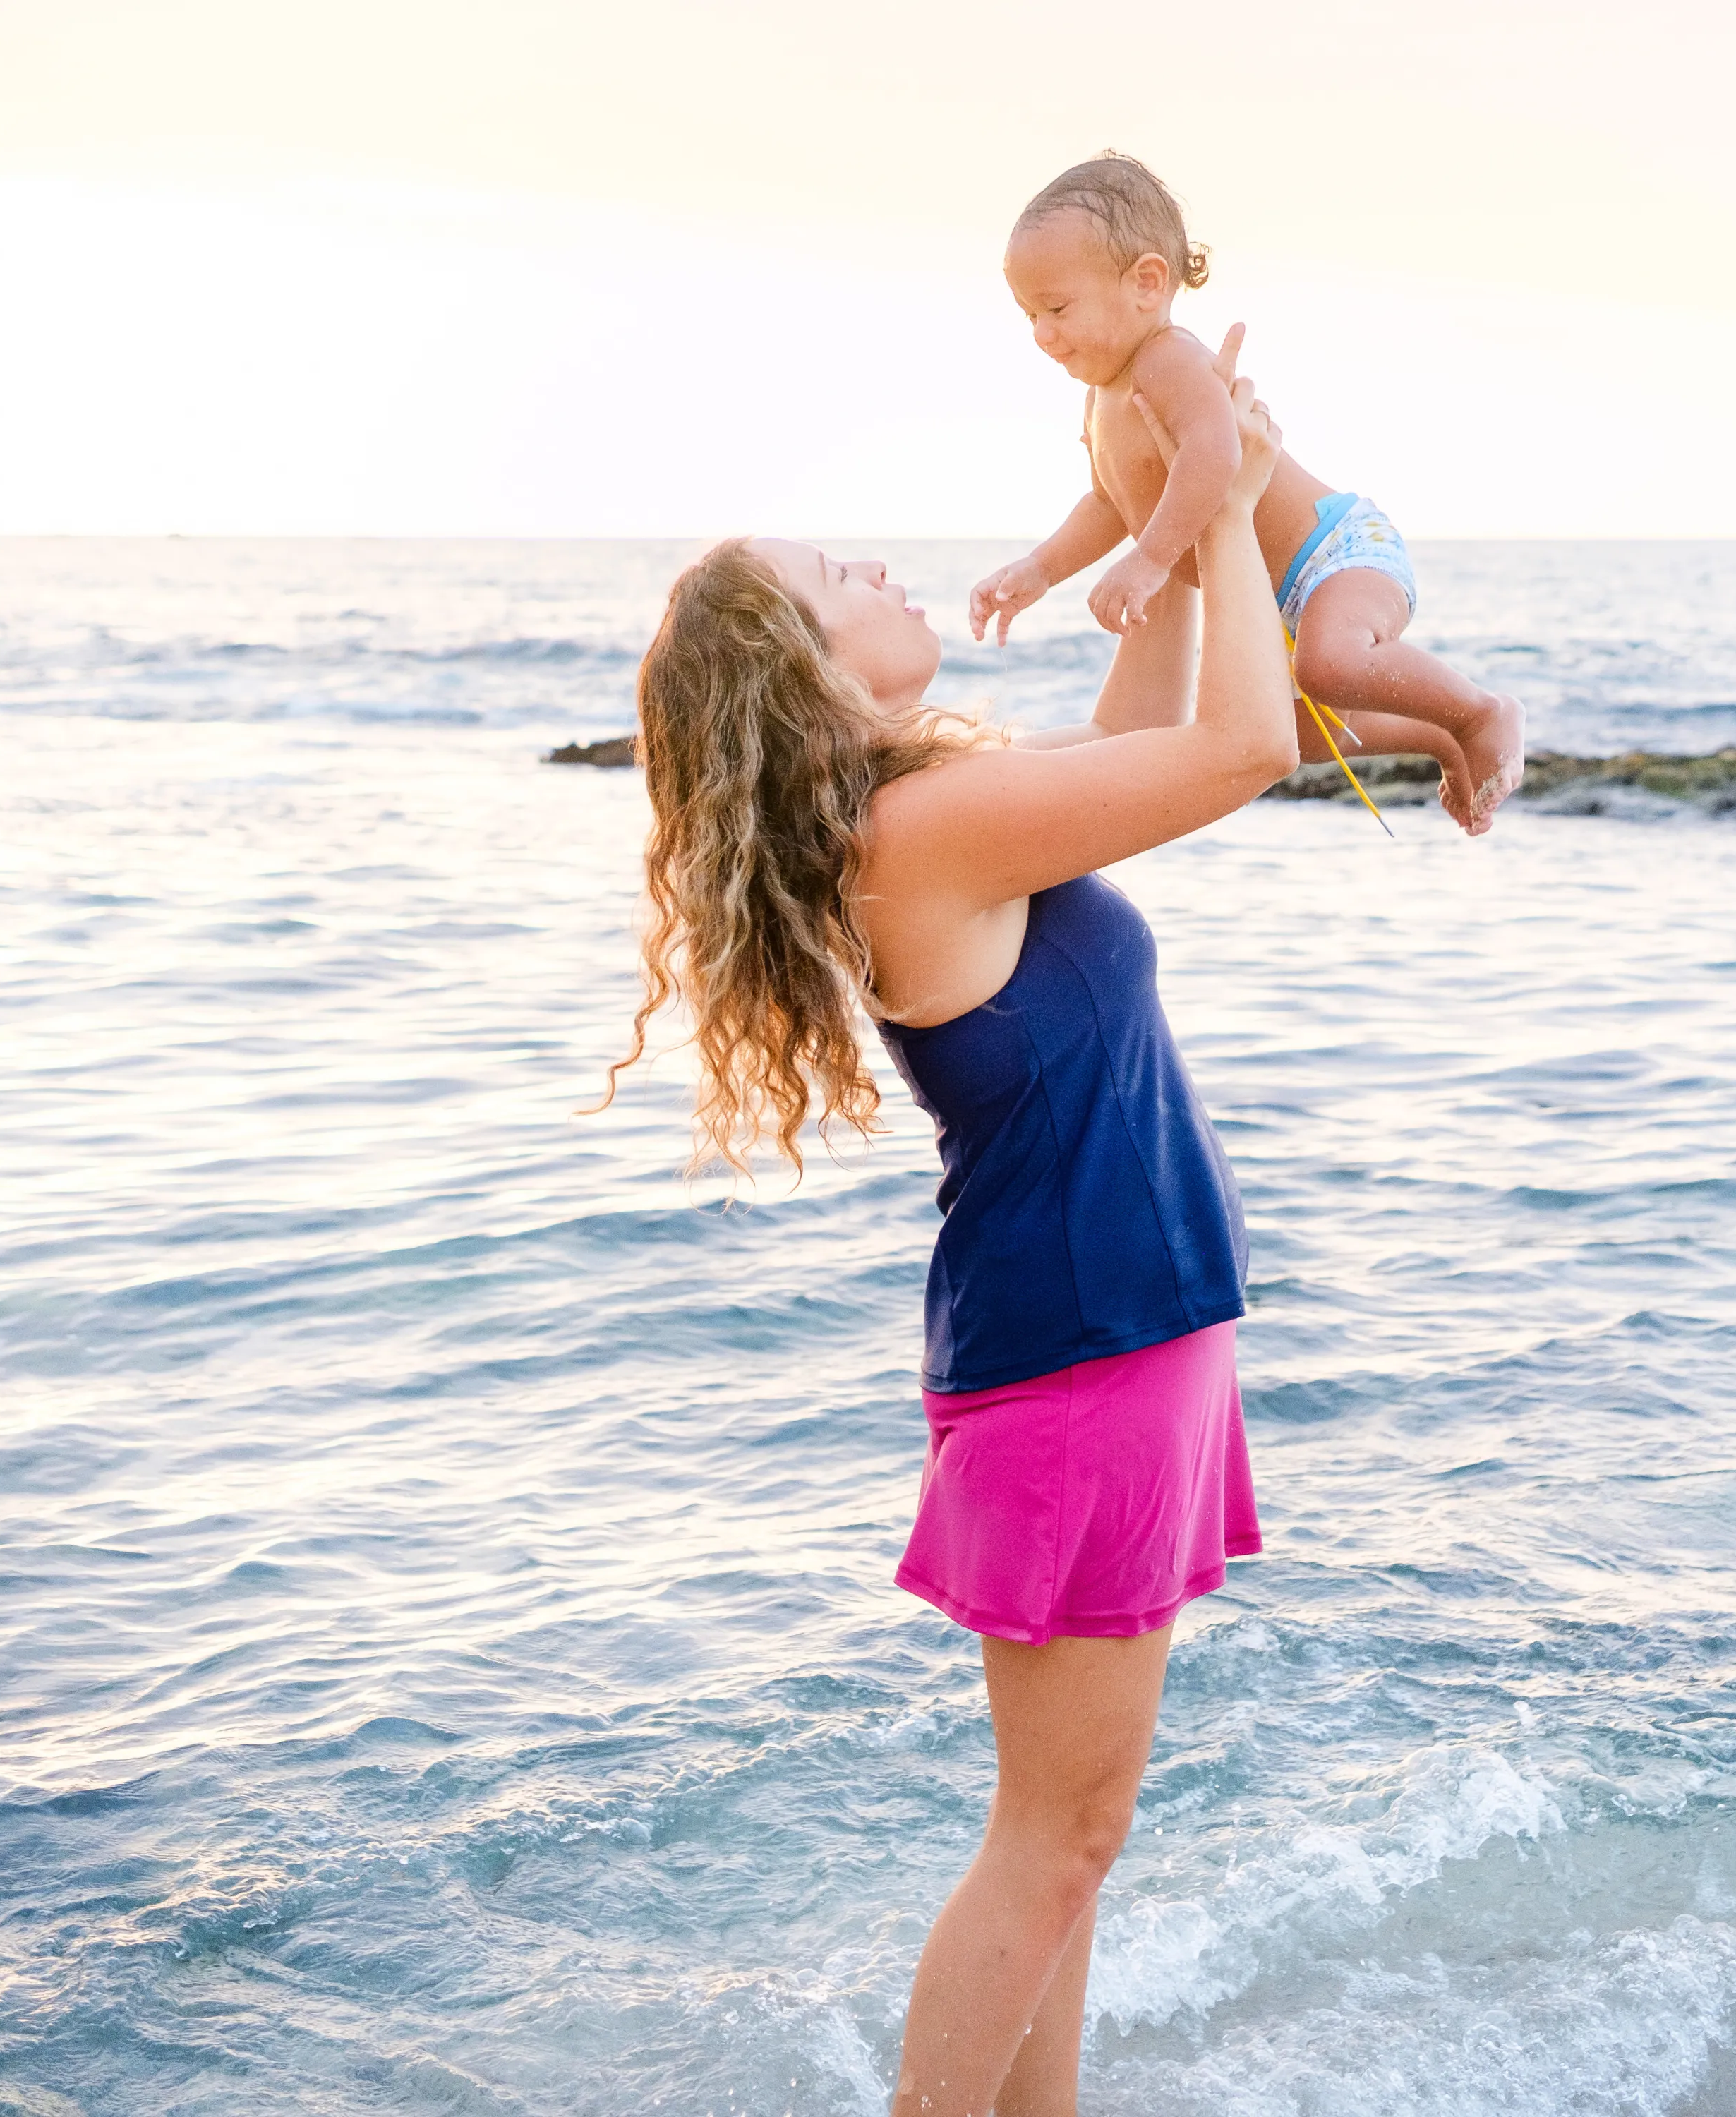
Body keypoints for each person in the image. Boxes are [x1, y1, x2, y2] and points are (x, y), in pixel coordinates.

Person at [599, 367, 1296, 2116]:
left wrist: (1157, 512)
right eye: (845, 573)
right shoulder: (914, 834)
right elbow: (1243, 750)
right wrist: (1210, 498)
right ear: (802, 663)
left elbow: (1146, 728)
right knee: (1057, 1838)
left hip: (1107, 1337)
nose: (887, 571)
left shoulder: (930, 808)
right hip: (1079, 1355)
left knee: (1073, 1837)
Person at [970, 150, 1526, 833]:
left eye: (1056, 308)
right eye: (1029, 315)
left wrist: (1149, 563)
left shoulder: (1166, 359)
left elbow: (1218, 454)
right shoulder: (1102, 396)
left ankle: (1480, 712)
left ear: (1148, 283)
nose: (1041, 334)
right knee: (1308, 734)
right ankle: (1443, 735)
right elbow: (1108, 504)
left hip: (1337, 548)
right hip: (1287, 594)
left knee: (1329, 665)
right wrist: (1039, 571)